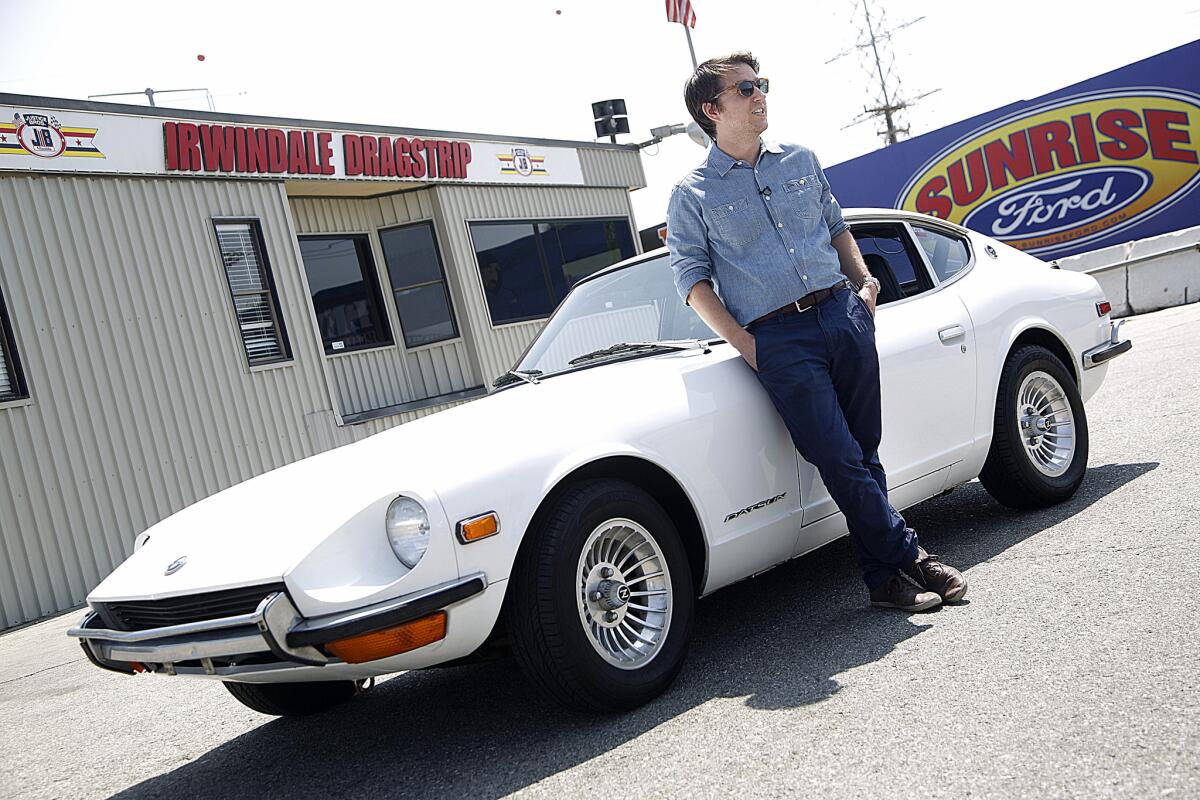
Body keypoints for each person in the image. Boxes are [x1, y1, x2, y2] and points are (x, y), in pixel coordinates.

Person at [665, 52, 967, 612]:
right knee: (838, 457)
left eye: (762, 85)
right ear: (712, 110)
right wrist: (747, 344)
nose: (760, 96)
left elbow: (835, 227)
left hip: (842, 316)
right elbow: (691, 279)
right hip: (778, 339)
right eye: (746, 89)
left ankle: (884, 583)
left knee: (864, 453)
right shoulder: (692, 194)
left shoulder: (799, 159)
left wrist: (866, 286)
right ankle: (915, 557)